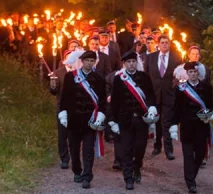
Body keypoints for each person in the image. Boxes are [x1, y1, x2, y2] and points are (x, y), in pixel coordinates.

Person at [109, 51, 157, 190]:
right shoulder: (119, 79)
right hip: (125, 120)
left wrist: (152, 107)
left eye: (133, 62)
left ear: (137, 63)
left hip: (141, 119)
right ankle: (128, 178)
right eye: (128, 62)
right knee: (126, 149)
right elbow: (115, 101)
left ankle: (137, 166)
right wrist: (113, 121)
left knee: (140, 147)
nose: (131, 64)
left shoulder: (144, 77)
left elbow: (151, 95)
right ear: (124, 64)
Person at [58, 50, 106, 189]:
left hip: (89, 121)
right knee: (74, 148)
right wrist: (63, 113)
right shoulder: (70, 77)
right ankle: (77, 171)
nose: (89, 63)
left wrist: (101, 115)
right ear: (82, 61)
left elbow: (102, 101)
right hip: (73, 120)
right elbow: (64, 98)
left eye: (92, 61)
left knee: (88, 150)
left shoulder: (99, 79)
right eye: (87, 61)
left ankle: (87, 176)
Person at [169, 61, 213, 193]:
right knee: (188, 156)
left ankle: (191, 176)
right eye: (190, 72)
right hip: (187, 128)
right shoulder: (181, 89)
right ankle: (190, 183)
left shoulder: (207, 88)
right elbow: (176, 109)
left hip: (202, 127)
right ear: (187, 73)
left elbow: (211, 105)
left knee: (200, 155)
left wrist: (211, 115)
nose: (193, 74)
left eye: (195, 72)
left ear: (198, 73)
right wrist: (173, 125)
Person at [144, 35, 180, 160]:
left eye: (166, 42)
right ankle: (157, 146)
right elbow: (146, 76)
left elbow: (179, 76)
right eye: (162, 42)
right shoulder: (150, 57)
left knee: (167, 122)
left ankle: (169, 150)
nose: (164, 44)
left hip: (169, 95)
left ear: (169, 44)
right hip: (154, 95)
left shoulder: (176, 57)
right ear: (158, 44)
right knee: (156, 122)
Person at [50, 50, 73, 169]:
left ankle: (75, 156)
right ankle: (64, 158)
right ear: (64, 60)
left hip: (76, 108)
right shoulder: (58, 73)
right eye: (68, 58)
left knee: (74, 133)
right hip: (62, 107)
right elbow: (54, 92)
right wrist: (53, 86)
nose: (70, 61)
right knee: (62, 134)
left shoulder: (79, 72)